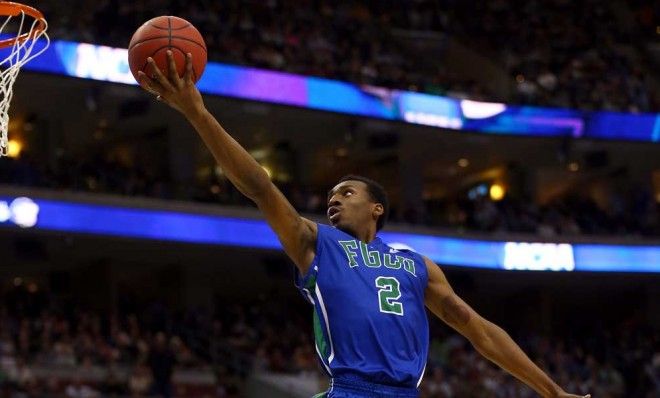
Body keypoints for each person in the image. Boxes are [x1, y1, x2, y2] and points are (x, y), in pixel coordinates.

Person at [138, 51, 592, 398]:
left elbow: (480, 330)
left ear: (377, 208)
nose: (334, 199)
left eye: (347, 193)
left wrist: (550, 390)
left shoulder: (417, 265)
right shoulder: (316, 242)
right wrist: (197, 113)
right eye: (331, 195)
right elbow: (258, 186)